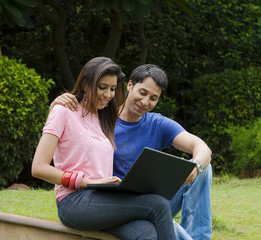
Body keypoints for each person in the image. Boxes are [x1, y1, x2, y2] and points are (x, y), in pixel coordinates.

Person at [51, 64, 213, 240]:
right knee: (154, 221)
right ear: (129, 86)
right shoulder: (104, 116)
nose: (145, 102)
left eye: (153, 98)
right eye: (142, 93)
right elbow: (74, 122)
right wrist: (57, 105)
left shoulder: (157, 124)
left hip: (149, 199)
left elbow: (201, 146)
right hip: (111, 202)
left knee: (204, 169)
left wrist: (196, 166)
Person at [32, 57, 176, 240]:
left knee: (146, 233)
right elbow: (38, 167)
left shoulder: (105, 117)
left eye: (113, 89)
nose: (108, 94)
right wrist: (88, 182)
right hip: (74, 202)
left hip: (104, 199)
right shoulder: (63, 111)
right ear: (86, 84)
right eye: (102, 87)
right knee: (159, 204)